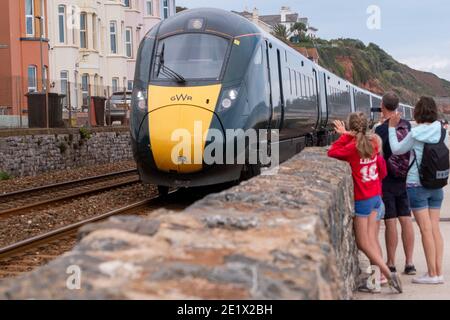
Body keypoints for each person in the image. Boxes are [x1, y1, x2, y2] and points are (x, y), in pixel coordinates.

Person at [328, 112, 403, 293]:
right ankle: (377, 280)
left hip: (362, 201)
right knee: (372, 240)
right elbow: (383, 171)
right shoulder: (375, 143)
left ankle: (387, 273)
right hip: (377, 198)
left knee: (363, 243)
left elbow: (332, 152)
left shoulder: (352, 148)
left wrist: (344, 136)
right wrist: (350, 134)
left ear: (351, 128)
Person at [389, 97, 448, 284]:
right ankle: (438, 272)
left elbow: (397, 150)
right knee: (435, 229)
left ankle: (432, 274)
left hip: (417, 185)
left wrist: (391, 128)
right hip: (437, 184)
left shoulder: (415, 132)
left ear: (418, 112)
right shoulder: (441, 130)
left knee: (425, 230)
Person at [375, 92, 416, 276]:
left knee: (391, 220)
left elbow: (378, 156)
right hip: (403, 178)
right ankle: (410, 263)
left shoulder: (381, 130)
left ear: (383, 106)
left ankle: (391, 263)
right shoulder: (406, 125)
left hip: (388, 180)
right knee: (406, 219)